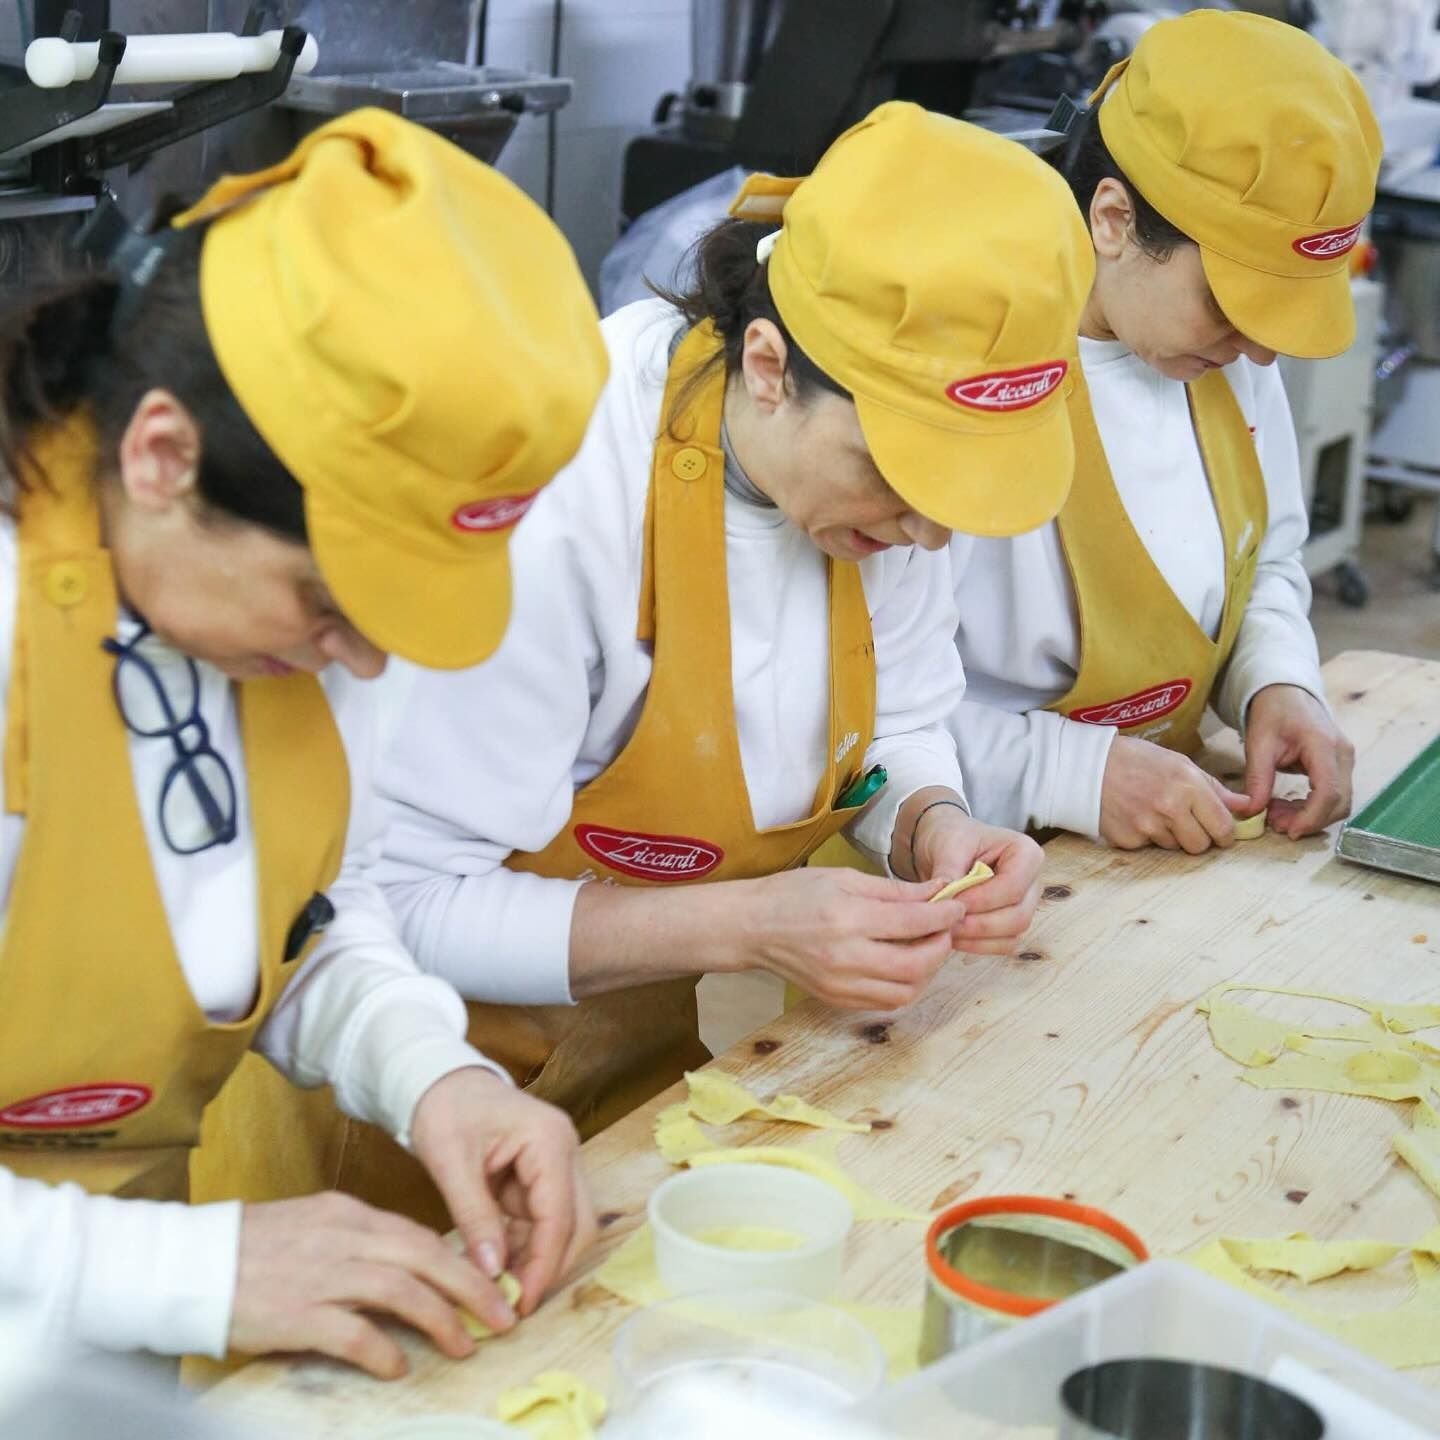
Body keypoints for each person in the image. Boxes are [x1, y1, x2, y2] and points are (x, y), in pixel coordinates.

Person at [363, 102, 1093, 1168]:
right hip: (414, 1099)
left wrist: (929, 825)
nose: (931, 532)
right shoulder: (559, 497)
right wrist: (748, 925)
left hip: (640, 1074)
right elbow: (402, 902)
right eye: (898, 475)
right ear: (766, 364)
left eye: (962, 492)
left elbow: (900, 714)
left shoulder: (904, 506)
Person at [0, 108, 607, 1379]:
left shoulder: (269, 632)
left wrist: (433, 1070)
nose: (368, 660)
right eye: (334, 600)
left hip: (98, 1338)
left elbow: (294, 921)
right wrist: (183, 1271)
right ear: (164, 454)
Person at [948, 10, 1380, 853]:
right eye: (1231, 304)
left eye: (1278, 314)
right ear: (1112, 219)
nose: (1258, 347)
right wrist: (1066, 771)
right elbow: (860, 716)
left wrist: (1275, 682)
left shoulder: (1219, 356)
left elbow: (1266, 562)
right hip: (955, 874)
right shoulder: (964, 377)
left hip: (1151, 854)